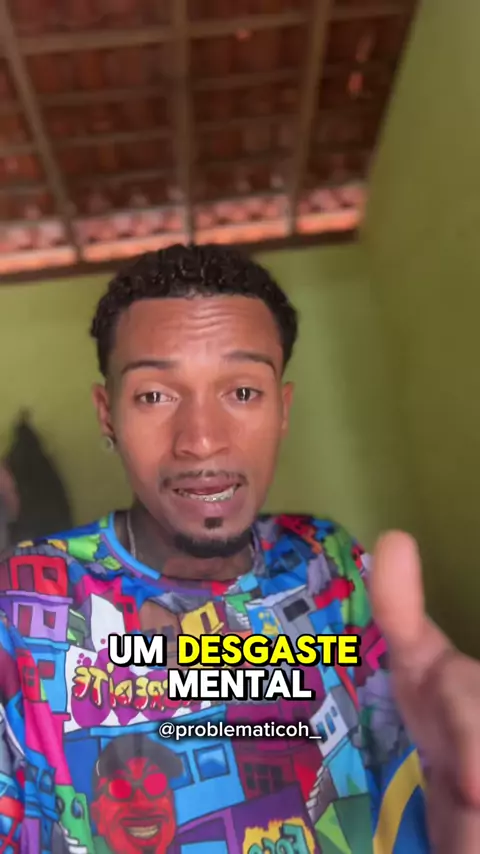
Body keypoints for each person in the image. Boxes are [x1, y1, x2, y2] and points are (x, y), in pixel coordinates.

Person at [0, 244, 478, 854]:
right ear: (108, 414)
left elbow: (407, 769)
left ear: (283, 409)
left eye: (244, 392)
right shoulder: (26, 601)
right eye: (154, 395)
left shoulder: (327, 562)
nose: (201, 440)